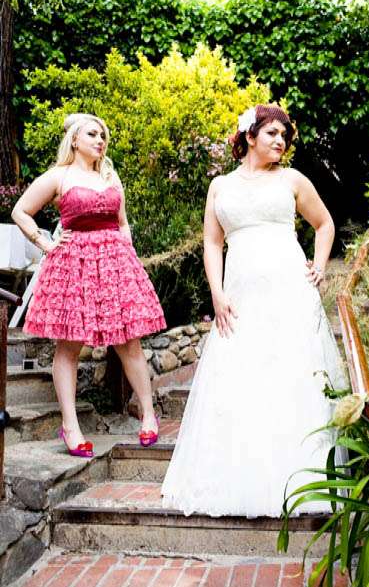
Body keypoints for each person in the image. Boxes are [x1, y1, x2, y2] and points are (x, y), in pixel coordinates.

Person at [161, 103, 347, 517]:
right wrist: (216, 292)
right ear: (250, 136)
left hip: (289, 290)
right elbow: (212, 243)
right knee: (239, 376)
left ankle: (299, 479)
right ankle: (240, 478)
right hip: (240, 295)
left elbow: (324, 224)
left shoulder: (292, 180)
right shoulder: (220, 187)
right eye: (272, 134)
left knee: (291, 377)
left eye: (284, 136)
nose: (281, 141)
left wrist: (319, 267)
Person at [12, 113, 166, 457]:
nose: (100, 140)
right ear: (75, 140)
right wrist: (46, 243)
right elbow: (20, 211)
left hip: (114, 263)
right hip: (74, 265)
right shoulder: (59, 176)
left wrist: (127, 257)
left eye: (103, 136)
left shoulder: (109, 176)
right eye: (93, 134)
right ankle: (70, 425)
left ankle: (148, 414)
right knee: (69, 346)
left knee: (128, 341)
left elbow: (122, 223)